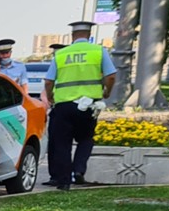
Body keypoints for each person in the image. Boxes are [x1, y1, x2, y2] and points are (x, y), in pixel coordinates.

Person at [42, 20, 117, 188]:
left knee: (62, 143)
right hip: (89, 106)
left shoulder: (61, 54)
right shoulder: (98, 51)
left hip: (64, 105)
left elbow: (48, 81)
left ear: (72, 36)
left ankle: (63, 182)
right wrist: (107, 92)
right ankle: (78, 170)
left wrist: (50, 96)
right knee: (85, 139)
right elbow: (111, 76)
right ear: (89, 35)